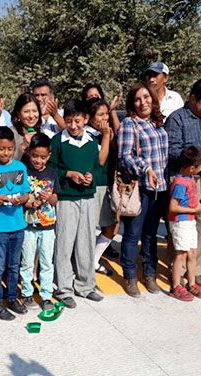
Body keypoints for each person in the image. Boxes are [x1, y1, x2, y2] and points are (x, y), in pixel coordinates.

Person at [165, 78, 201, 287]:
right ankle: (177, 271)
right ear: (192, 98)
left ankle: (194, 271)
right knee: (181, 225)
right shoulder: (176, 119)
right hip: (182, 179)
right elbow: (172, 153)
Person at [49, 99, 103, 308]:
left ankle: (86, 285)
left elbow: (98, 169)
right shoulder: (57, 141)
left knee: (86, 242)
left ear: (86, 119)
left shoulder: (92, 142)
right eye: (69, 121)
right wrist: (68, 174)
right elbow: (51, 169)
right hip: (66, 199)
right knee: (64, 243)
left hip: (87, 198)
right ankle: (63, 288)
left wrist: (91, 177)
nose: (73, 126)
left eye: (77, 121)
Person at [117, 84, 169, 297]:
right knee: (132, 234)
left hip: (160, 188)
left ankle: (149, 273)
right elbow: (124, 156)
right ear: (132, 104)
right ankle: (129, 275)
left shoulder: (158, 124)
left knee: (151, 234)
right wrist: (145, 169)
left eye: (146, 97)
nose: (143, 102)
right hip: (139, 188)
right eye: (137, 99)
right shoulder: (130, 124)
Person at [0, 126, 30, 320]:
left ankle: (11, 298)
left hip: (18, 226)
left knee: (13, 266)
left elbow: (26, 192)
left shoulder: (20, 167)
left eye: (9, 148)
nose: (6, 152)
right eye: (1, 148)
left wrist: (22, 199)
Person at [20, 133, 60, 311]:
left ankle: (45, 296)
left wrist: (48, 197)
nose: (38, 160)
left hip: (48, 225)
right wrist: (29, 202)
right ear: (28, 152)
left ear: (49, 156)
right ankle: (27, 293)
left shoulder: (52, 173)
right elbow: (21, 197)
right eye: (35, 155)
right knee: (27, 261)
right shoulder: (23, 171)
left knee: (46, 262)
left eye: (43, 157)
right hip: (28, 225)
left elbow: (55, 199)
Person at [168, 146, 201, 301]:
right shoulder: (180, 183)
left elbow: (190, 201)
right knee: (181, 254)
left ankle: (191, 283)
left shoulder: (189, 179)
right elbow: (173, 207)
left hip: (189, 221)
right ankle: (176, 285)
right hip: (181, 222)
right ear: (192, 168)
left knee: (192, 252)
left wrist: (197, 206)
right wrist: (195, 211)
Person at [85, 98, 116, 277]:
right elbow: (100, 160)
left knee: (110, 227)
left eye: (106, 114)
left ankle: (93, 260)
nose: (105, 118)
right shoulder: (88, 136)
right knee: (89, 230)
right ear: (90, 118)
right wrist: (105, 136)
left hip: (107, 185)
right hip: (95, 186)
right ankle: (85, 265)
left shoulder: (105, 133)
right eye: (101, 114)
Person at [10, 93, 42, 160]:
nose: (31, 116)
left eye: (34, 111)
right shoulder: (11, 133)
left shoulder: (41, 132)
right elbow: (6, 162)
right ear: (18, 114)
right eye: (26, 112)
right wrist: (23, 146)